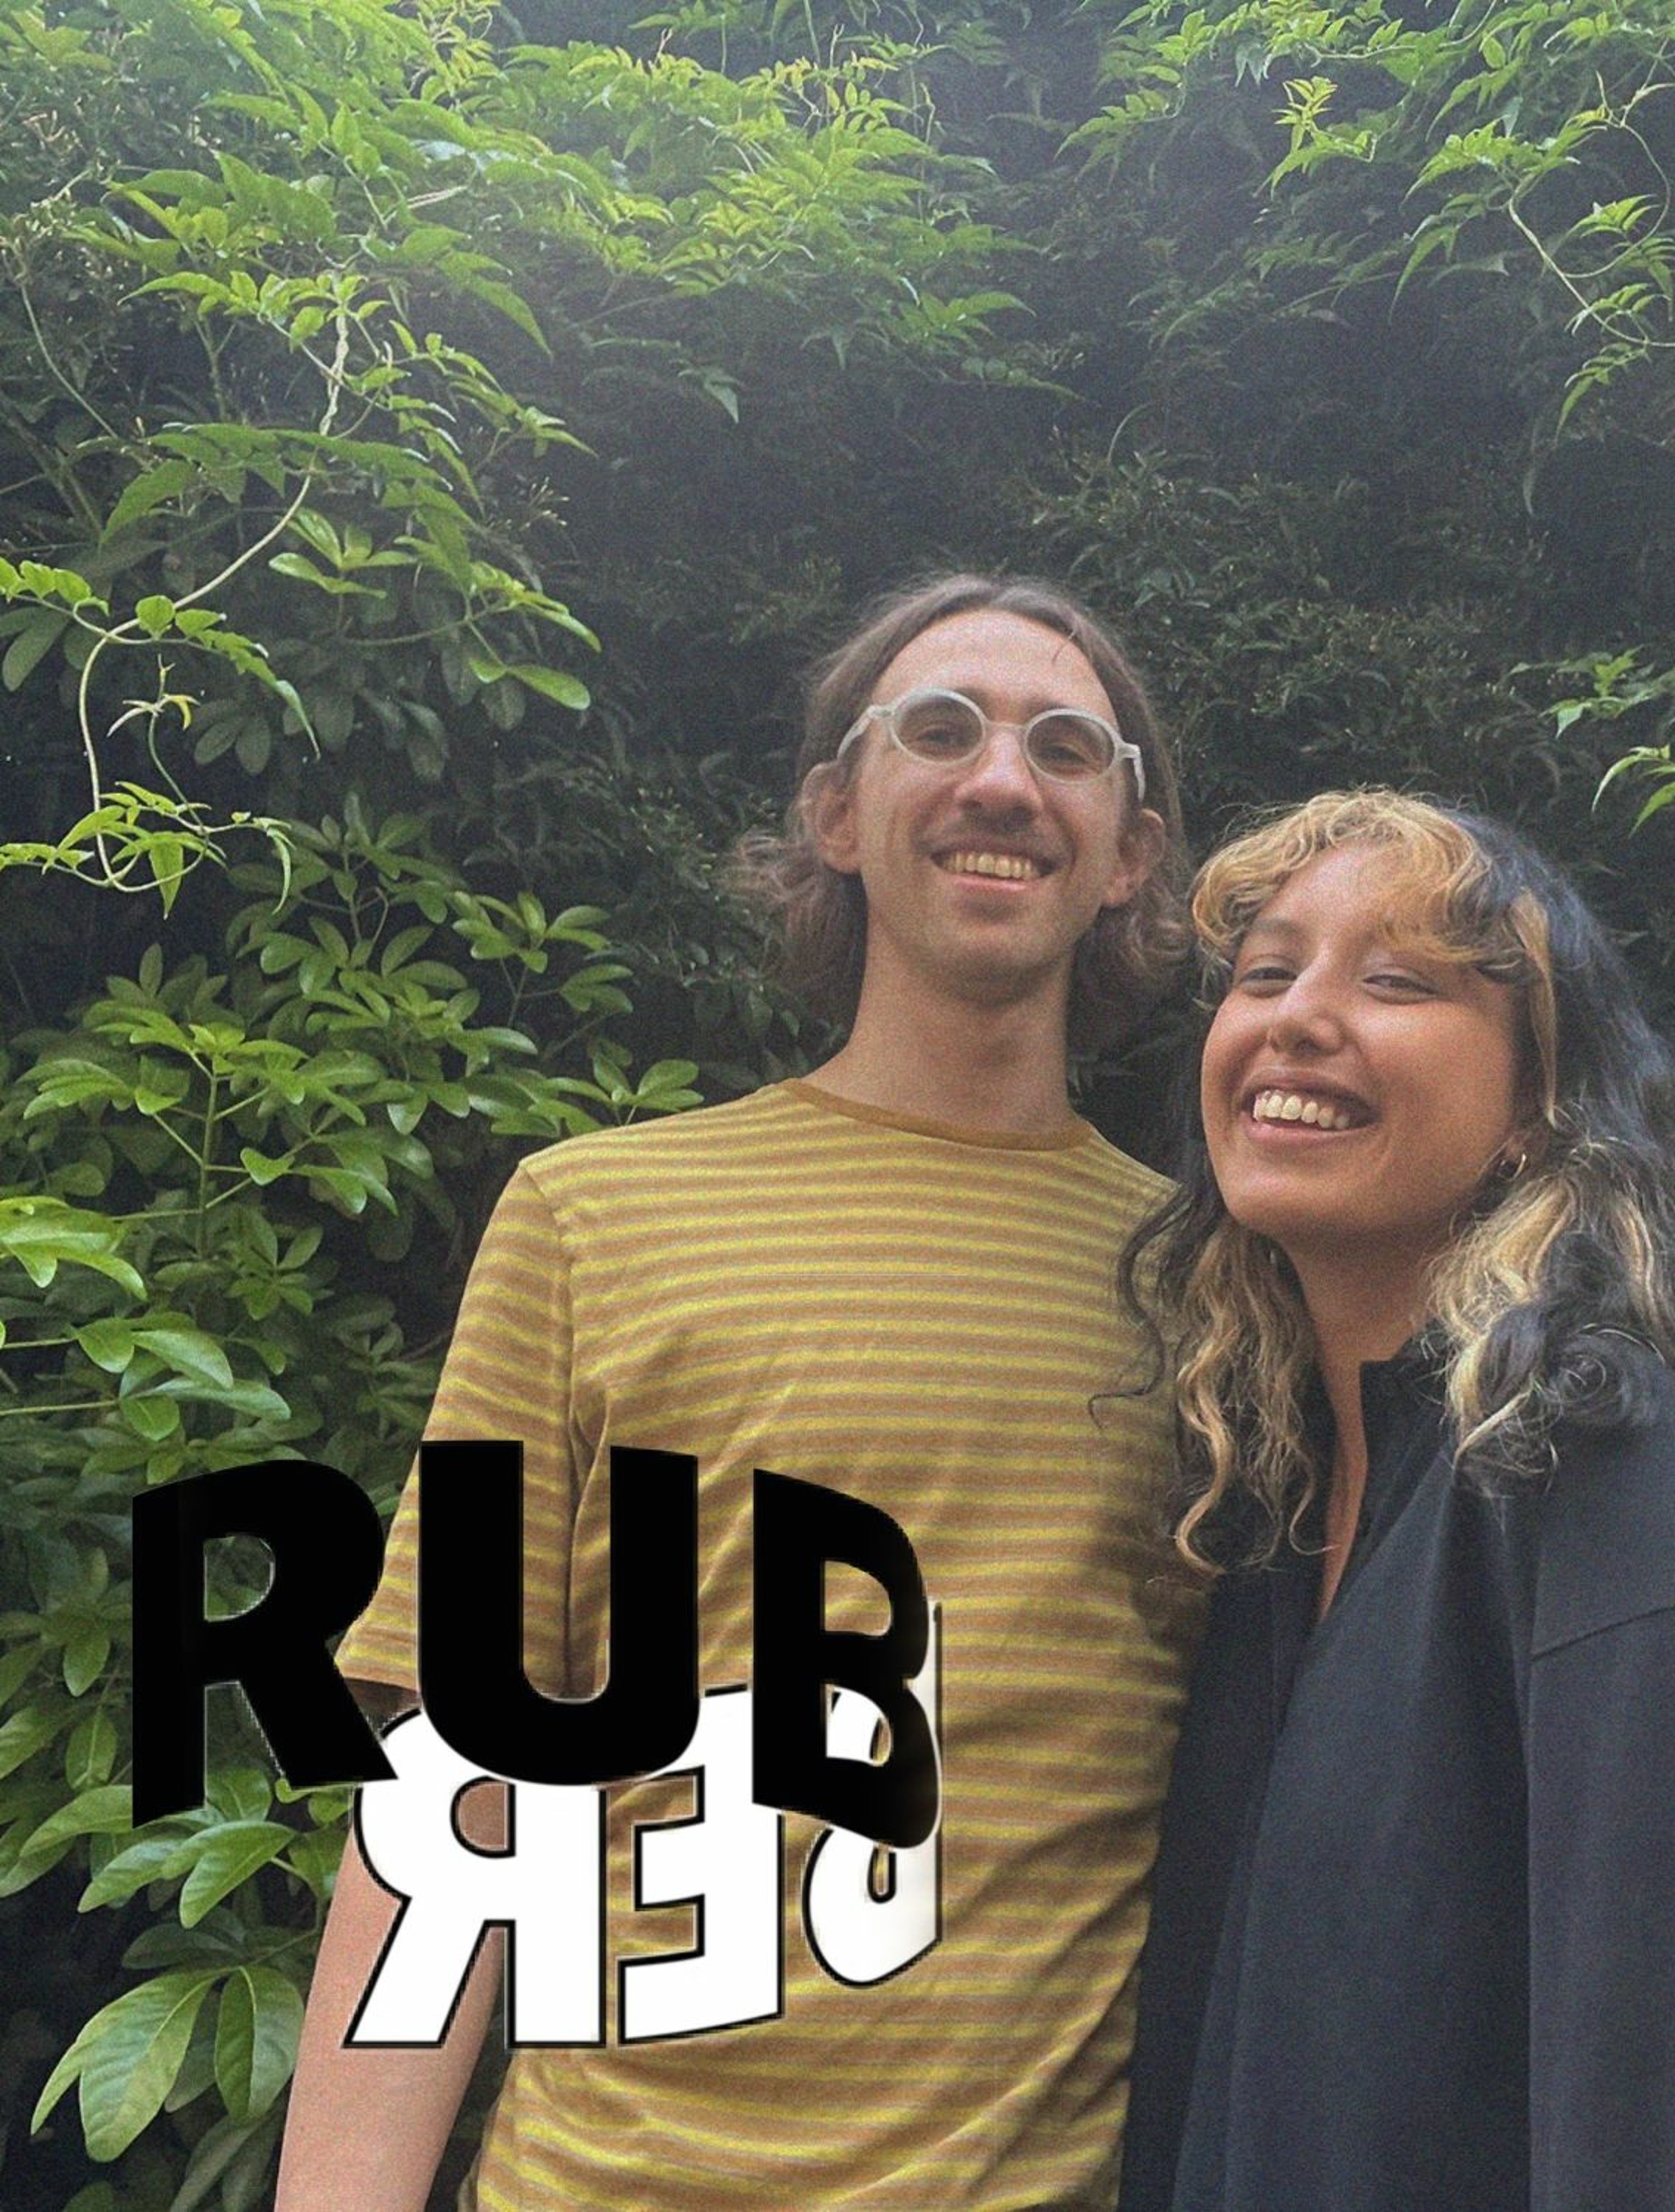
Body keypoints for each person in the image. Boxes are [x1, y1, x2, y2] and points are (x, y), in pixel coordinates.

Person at [276, 574, 1205, 2211]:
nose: (1003, 779)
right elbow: (457, 1792)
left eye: (1068, 748)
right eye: (941, 729)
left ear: (1129, 853)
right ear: (838, 813)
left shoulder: (1214, 1291)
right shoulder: (588, 1219)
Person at [1116, 790, 1675, 2212]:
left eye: (1397, 982)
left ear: (1533, 1111)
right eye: (1265, 972)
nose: (1297, 1017)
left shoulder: (1606, 1470)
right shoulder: (1273, 1507)